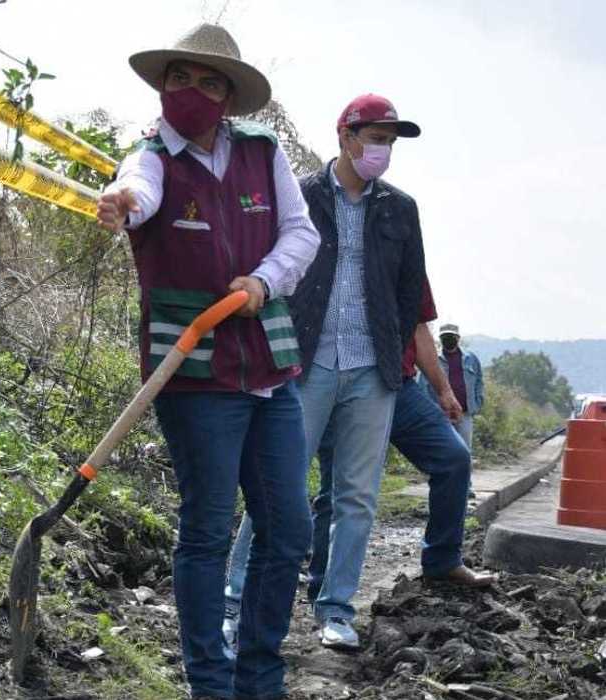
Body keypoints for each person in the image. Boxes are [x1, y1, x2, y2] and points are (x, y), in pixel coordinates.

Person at [95, 23, 319, 700]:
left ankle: (259, 677)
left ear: (228, 96)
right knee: (206, 528)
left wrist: (262, 281)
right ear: (164, 86)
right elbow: (140, 192)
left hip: (268, 369)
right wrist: (123, 204)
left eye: (210, 82)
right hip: (192, 373)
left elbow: (300, 233)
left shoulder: (261, 151)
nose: (194, 92)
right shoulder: (148, 158)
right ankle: (210, 683)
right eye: (181, 79)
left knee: (288, 531)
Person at [223, 284, 498, 654]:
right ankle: (267, 602)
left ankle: (440, 559)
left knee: (452, 457)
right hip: (323, 373)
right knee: (319, 487)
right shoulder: (321, 237)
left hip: (391, 382)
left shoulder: (399, 246)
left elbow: (419, 327)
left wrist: (444, 390)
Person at [287, 93, 427, 649]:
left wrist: (397, 358)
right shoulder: (299, 196)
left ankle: (336, 609)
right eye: (375, 138)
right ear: (345, 135)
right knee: (278, 487)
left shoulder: (401, 209)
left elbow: (408, 290)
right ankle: (239, 599)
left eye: (390, 141)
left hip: (372, 371)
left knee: (357, 497)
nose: (382, 150)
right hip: (306, 363)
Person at [427, 323, 485, 451]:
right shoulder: (433, 360)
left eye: (451, 336)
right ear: (440, 339)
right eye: (445, 337)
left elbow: (479, 382)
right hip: (442, 414)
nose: (448, 339)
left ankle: (463, 472)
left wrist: (478, 402)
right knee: (443, 450)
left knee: (464, 450)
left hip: (465, 414)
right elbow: (423, 386)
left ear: (458, 338)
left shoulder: (471, 359)